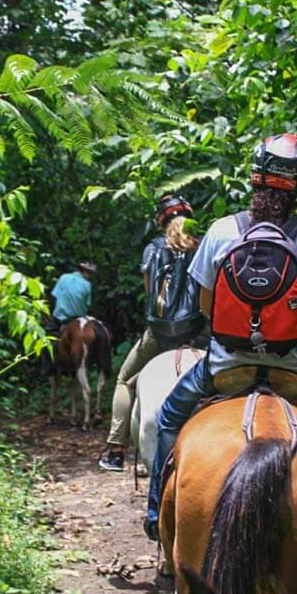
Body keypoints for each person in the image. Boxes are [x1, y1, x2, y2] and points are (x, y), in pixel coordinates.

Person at [143, 133, 297, 541]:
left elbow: (207, 307)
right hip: (294, 370)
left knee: (170, 417)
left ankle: (157, 507)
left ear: (256, 178)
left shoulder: (221, 232)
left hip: (225, 367)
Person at [98, 195, 204, 471]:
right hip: (198, 333)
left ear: (161, 221)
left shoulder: (153, 249)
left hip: (160, 335)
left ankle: (115, 450)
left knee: (124, 380)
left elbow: (150, 294)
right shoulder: (202, 246)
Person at [44, 260, 97, 350]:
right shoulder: (87, 285)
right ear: (84, 271)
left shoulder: (64, 277)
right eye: (90, 273)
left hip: (60, 318)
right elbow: (87, 305)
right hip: (78, 319)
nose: (91, 275)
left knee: (45, 340)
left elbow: (54, 296)